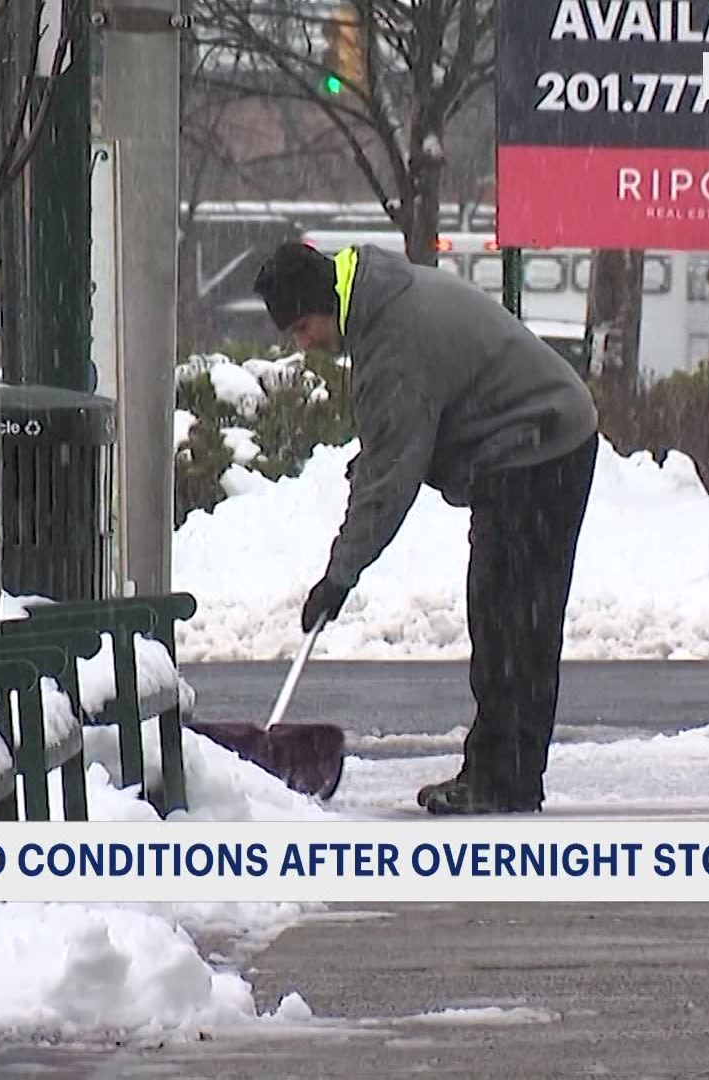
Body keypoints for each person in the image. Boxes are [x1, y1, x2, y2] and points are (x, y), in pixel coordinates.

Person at [251, 240, 600, 815]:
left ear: (320, 304)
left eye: (301, 326)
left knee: (513, 623)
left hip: (539, 448)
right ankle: (501, 774)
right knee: (504, 619)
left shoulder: (392, 340)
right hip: (529, 445)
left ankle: (505, 782)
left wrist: (339, 577)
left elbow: (393, 479)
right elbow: (397, 443)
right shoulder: (377, 304)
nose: (304, 343)